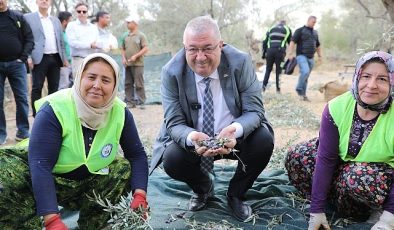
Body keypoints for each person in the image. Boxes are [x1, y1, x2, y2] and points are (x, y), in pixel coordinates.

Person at [0, 53, 149, 229]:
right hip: (38, 176)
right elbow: (40, 165)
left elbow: (137, 155)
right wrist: (52, 219)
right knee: (5, 174)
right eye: (91, 77)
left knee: (121, 168)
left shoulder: (120, 112)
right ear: (79, 78)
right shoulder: (55, 108)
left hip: (82, 181)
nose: (97, 85)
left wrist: (140, 195)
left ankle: (93, 224)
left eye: (106, 80)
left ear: (115, 85)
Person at [149, 15, 274, 222]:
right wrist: (192, 137)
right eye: (193, 49)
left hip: (235, 139)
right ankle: (203, 187)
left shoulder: (240, 62)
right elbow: (173, 123)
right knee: (172, 158)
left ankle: (235, 194)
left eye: (207, 48)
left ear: (221, 45)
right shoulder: (171, 72)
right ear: (184, 47)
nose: (200, 57)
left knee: (263, 140)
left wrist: (235, 130)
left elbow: (255, 110)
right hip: (197, 142)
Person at [284, 51, 394, 230]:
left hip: (376, 180)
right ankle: (328, 201)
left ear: (392, 81)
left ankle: (375, 211)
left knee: (357, 178)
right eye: (366, 76)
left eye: (382, 79)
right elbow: (326, 159)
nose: (371, 85)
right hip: (341, 169)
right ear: (357, 76)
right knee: (297, 156)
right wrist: (316, 210)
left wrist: (389, 218)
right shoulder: (337, 107)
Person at [24, 0, 68, 117]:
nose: (44, 1)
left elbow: (60, 41)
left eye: (47, 0)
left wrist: (64, 58)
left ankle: (51, 114)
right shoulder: (28, 18)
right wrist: (28, 57)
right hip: (38, 58)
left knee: (54, 88)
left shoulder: (55, 20)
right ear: (37, 2)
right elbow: (25, 38)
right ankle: (36, 115)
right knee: (37, 87)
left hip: (55, 58)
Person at [0, 0, 34, 144]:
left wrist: (23, 58)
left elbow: (30, 39)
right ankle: (1, 134)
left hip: (17, 64)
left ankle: (23, 131)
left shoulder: (17, 17)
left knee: (22, 98)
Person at [287, 15, 322, 101]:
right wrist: (290, 53)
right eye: (313, 22)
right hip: (301, 56)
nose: (314, 24)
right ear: (309, 20)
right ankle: (299, 88)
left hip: (311, 58)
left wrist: (320, 56)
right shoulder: (300, 30)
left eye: (315, 23)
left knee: (306, 76)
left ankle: (303, 95)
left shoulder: (315, 33)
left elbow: (317, 45)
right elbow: (292, 42)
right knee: (305, 71)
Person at [121, 16, 149, 108]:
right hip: (128, 64)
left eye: (129, 22)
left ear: (135, 23)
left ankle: (141, 102)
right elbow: (123, 48)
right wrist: (124, 58)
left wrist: (136, 56)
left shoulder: (141, 35)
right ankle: (130, 102)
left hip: (138, 64)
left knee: (139, 83)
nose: (127, 24)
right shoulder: (126, 36)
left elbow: (145, 48)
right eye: (127, 22)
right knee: (128, 83)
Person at [66, 2, 99, 80]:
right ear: (75, 12)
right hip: (78, 60)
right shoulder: (71, 25)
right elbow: (72, 43)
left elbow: (97, 42)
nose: (81, 13)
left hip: (92, 60)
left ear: (88, 13)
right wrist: (89, 45)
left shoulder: (93, 27)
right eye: (79, 11)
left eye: (84, 11)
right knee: (79, 84)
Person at [261, 20, 292, 93]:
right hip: (280, 52)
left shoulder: (271, 28)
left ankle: (263, 88)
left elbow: (265, 41)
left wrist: (264, 53)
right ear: (284, 24)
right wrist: (289, 53)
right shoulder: (287, 29)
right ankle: (278, 90)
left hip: (270, 51)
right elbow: (290, 42)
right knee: (279, 70)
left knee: (268, 69)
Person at [57, 11, 73, 90]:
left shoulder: (66, 33)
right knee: (64, 85)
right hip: (63, 64)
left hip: (70, 62)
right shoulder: (58, 33)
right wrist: (64, 60)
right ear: (64, 22)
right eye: (70, 21)